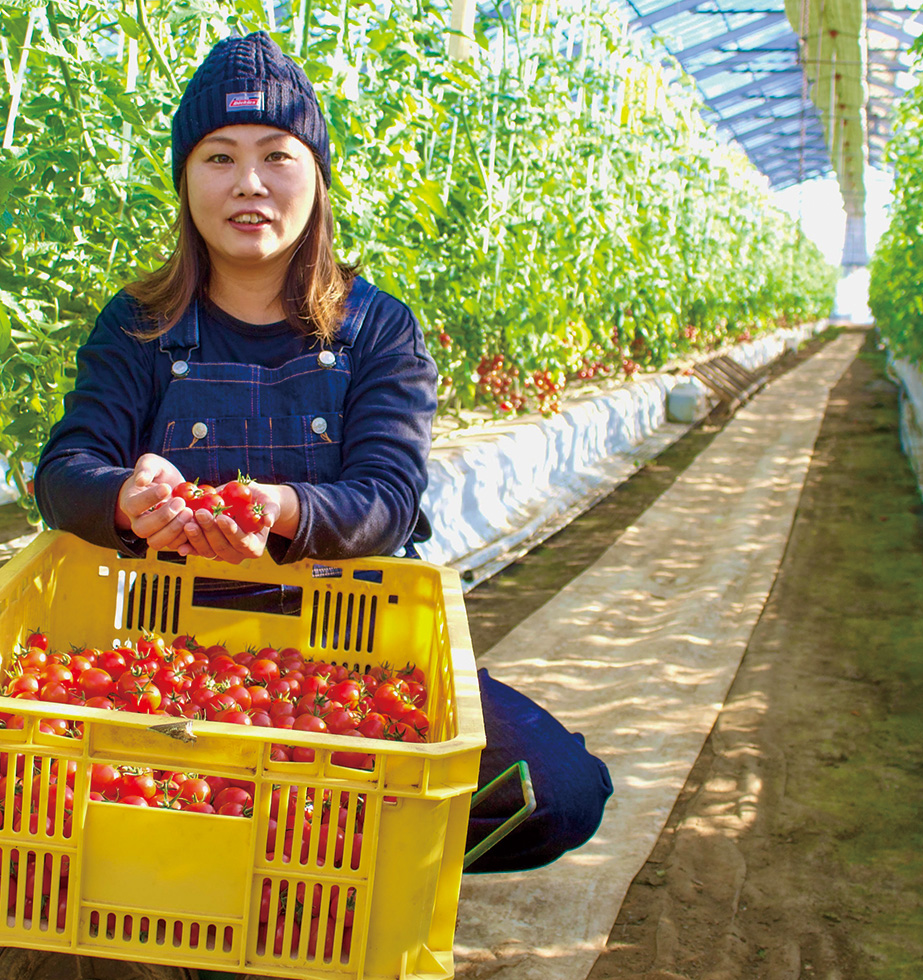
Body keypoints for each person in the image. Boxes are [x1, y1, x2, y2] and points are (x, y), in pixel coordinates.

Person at [34, 31, 611, 875]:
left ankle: (294, 871)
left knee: (556, 792)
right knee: (72, 776)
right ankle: (265, 875)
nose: (249, 184)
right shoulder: (139, 325)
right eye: (218, 157)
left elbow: (388, 497)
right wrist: (126, 496)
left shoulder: (378, 328)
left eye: (277, 155)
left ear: (316, 176)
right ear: (185, 180)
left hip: (351, 642)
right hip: (169, 639)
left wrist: (282, 510)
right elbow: (65, 470)